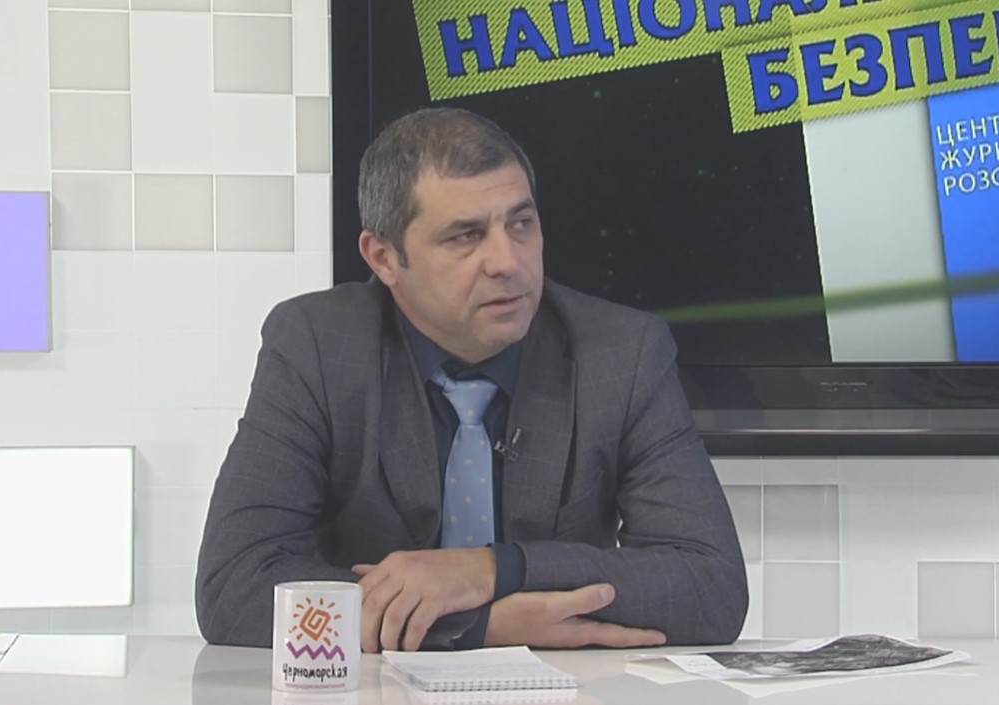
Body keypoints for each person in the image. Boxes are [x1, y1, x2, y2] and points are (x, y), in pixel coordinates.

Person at [195, 107, 747, 652]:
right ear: (384, 258)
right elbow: (234, 586)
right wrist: (477, 628)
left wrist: (492, 569)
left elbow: (711, 587)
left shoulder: (623, 352)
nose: (508, 262)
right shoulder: (317, 346)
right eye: (466, 236)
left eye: (521, 224)